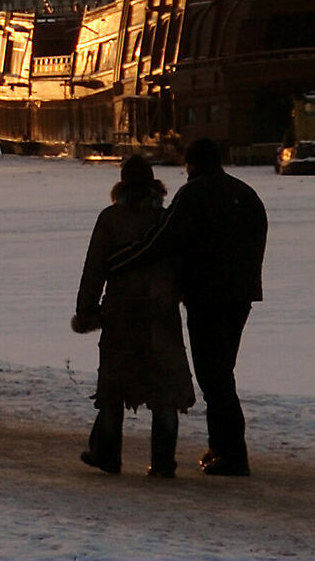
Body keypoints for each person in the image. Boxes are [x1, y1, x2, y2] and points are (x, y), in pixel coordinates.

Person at [109, 135, 269, 476]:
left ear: (191, 163)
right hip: (241, 296)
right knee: (221, 371)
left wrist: (121, 262)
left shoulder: (193, 194)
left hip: (206, 296)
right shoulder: (246, 194)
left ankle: (232, 454)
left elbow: (161, 240)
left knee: (214, 376)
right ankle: (220, 446)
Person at [72, 155, 196, 476]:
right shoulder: (167, 220)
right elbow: (185, 267)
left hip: (121, 312)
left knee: (114, 389)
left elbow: (94, 268)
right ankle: (164, 463)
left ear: (122, 184)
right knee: (165, 391)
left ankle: (107, 456)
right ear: (154, 184)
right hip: (162, 313)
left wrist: (86, 310)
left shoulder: (110, 219)